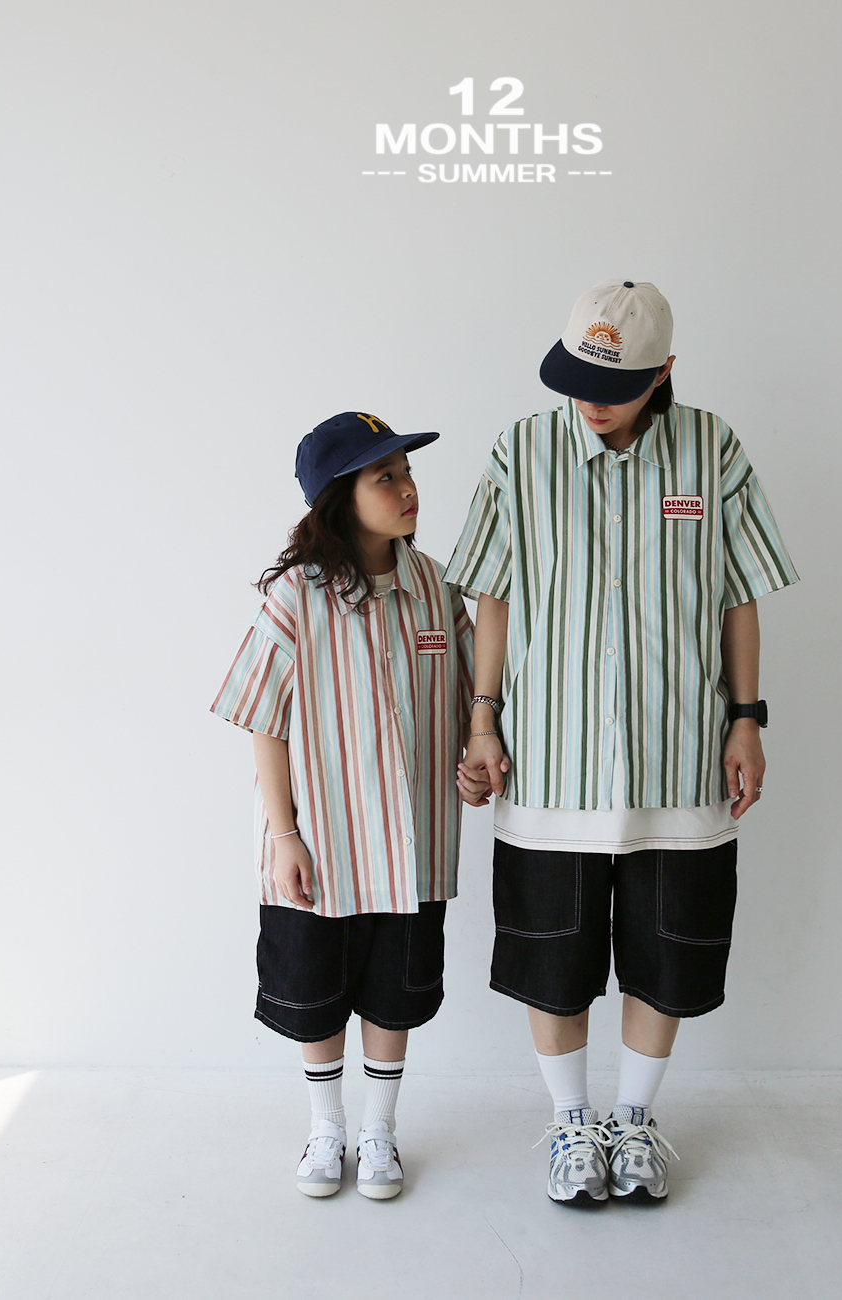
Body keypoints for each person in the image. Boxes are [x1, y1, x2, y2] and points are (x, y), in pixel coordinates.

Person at [448, 281, 799, 1205]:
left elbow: (739, 596)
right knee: (552, 959)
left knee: (667, 954)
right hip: (551, 758)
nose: (590, 401)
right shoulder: (521, 451)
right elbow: (492, 596)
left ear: (666, 371)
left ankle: (635, 1120)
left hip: (676, 754)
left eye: (615, 385)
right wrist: (482, 719)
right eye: (576, 378)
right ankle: (571, 1123)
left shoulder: (712, 450)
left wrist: (747, 717)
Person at [212, 411, 477, 1200]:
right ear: (338, 496)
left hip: (413, 840)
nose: (407, 489)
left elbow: (472, 697)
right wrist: (284, 834)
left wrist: (476, 756)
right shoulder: (298, 595)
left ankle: (379, 1131)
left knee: (395, 991)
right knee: (314, 992)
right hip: (321, 841)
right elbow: (262, 719)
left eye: (407, 472)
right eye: (384, 477)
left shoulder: (436, 587)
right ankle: (326, 1127)